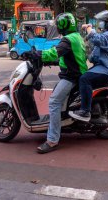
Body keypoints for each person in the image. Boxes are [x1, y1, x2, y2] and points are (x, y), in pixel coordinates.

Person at [34, 13, 88, 154]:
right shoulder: (76, 36)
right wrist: (51, 61)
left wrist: (38, 54)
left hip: (72, 77)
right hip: (75, 74)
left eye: (58, 24)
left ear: (63, 25)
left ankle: (52, 140)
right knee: (57, 100)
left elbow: (55, 52)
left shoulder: (68, 39)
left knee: (53, 102)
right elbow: (67, 56)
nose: (57, 27)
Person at [69, 10, 108, 122]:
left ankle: (85, 111)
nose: (101, 23)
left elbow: (97, 39)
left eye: (104, 21)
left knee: (85, 79)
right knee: (84, 77)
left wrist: (89, 28)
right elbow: (94, 56)